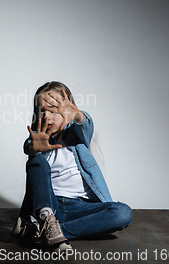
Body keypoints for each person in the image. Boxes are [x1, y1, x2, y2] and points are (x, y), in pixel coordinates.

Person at [11, 81, 132, 251]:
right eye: (41, 111)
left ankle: (43, 232)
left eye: (53, 111)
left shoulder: (77, 137)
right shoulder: (38, 140)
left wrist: (78, 115)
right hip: (50, 207)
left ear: (67, 111)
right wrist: (33, 150)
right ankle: (48, 224)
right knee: (36, 161)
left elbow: (85, 123)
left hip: (80, 208)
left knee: (123, 212)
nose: (47, 116)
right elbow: (29, 146)